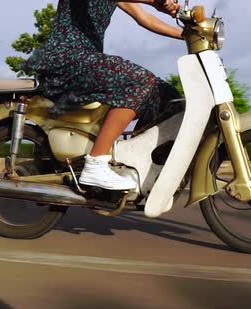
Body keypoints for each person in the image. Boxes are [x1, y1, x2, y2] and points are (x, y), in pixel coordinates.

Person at [23, 0, 183, 191]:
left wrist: (186, 34)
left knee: (166, 96)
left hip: (87, 59)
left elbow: (145, 18)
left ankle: (140, 163)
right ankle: (96, 163)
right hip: (66, 57)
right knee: (139, 80)